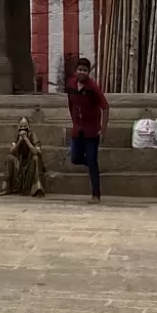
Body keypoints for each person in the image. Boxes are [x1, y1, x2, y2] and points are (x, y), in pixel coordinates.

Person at [66, 56, 109, 204]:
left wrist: (103, 130)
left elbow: (105, 107)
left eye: (85, 70)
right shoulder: (71, 84)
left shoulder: (93, 88)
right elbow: (70, 104)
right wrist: (74, 122)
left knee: (92, 160)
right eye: (80, 70)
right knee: (75, 158)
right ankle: (91, 165)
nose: (82, 73)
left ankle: (96, 195)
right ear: (76, 71)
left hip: (92, 130)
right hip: (78, 129)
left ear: (88, 72)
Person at [2, 115, 46, 197]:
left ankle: (37, 188)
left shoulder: (32, 135)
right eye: (21, 126)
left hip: (30, 164)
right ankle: (7, 188)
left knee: (36, 158)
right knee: (9, 158)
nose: (22, 128)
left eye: (25, 126)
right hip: (19, 164)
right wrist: (20, 141)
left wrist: (26, 139)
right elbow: (12, 151)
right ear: (18, 127)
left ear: (28, 127)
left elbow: (36, 152)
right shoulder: (17, 136)